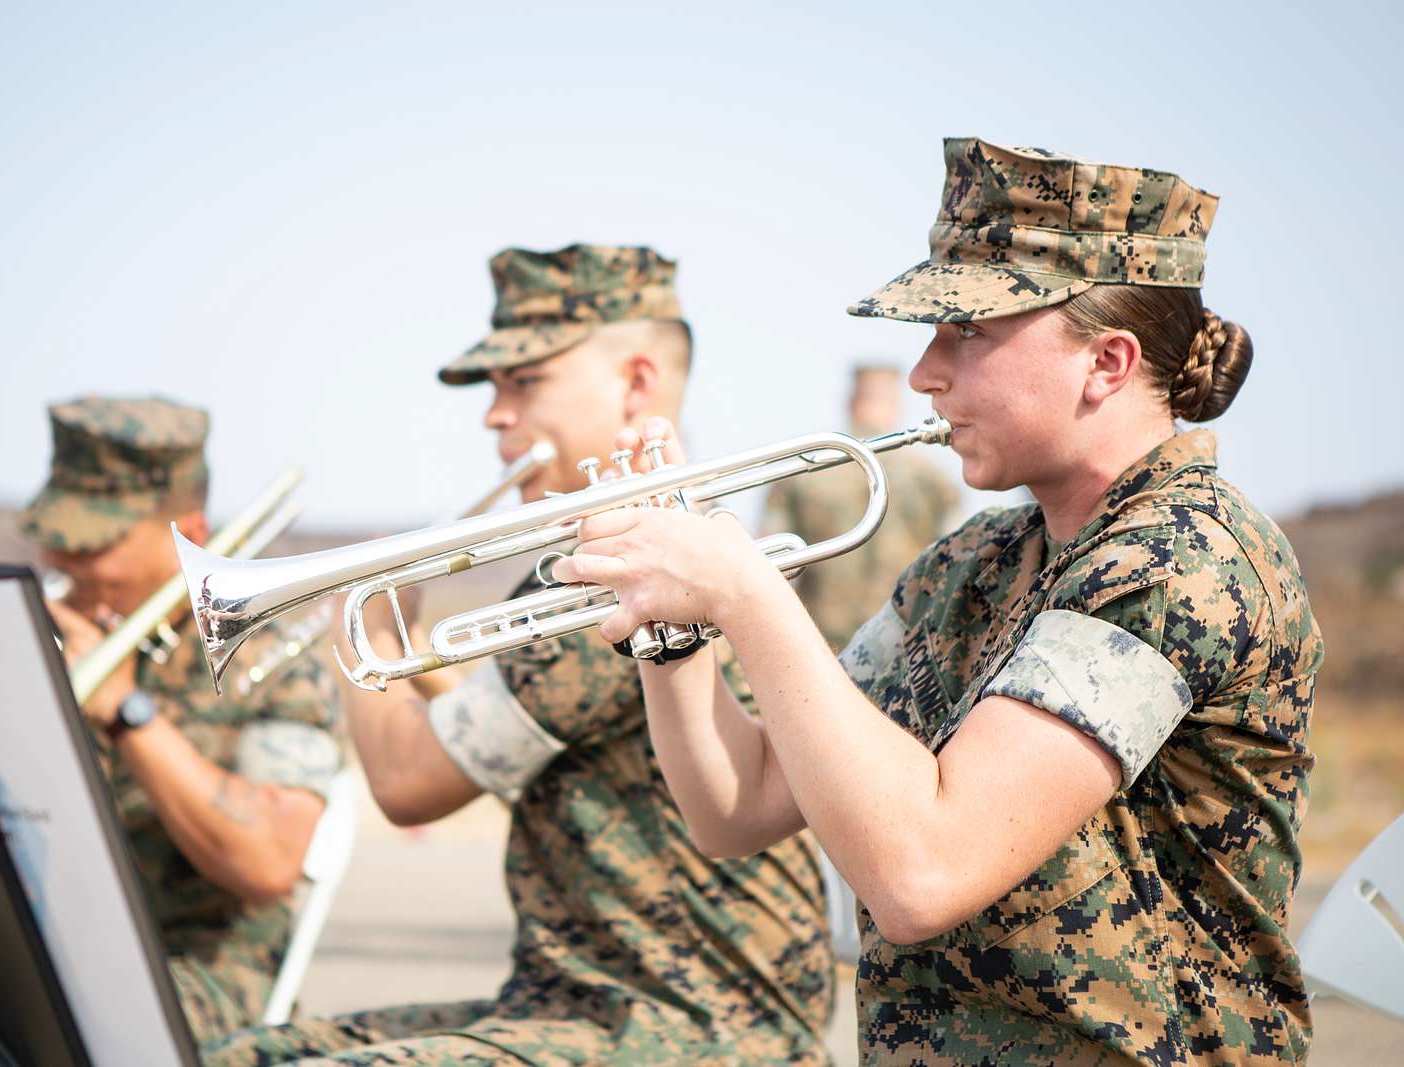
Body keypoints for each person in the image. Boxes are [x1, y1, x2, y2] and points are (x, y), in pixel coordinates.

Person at [557, 140, 1323, 1064]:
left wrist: (748, 596)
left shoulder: (1184, 560)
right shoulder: (977, 559)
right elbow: (740, 804)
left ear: (1108, 364)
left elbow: (921, 871)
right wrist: (673, 629)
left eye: (966, 330)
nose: (924, 371)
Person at [205, 244, 834, 1066]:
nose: (494, 416)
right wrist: (411, 652)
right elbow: (509, 724)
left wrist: (360, 623)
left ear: (637, 383)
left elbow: (406, 782)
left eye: (525, 381)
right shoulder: (599, 560)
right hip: (580, 1001)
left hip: (695, 1024)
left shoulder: (637, 568)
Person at [20, 397, 345, 1043]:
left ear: (189, 532)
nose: (65, 563)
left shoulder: (273, 659)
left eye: (96, 543)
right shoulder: (34, 640)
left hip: (198, 974)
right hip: (41, 948)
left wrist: (123, 710)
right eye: (58, 538)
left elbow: (267, 861)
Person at [761, 362, 958, 651]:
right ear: (896, 405)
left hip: (819, 644)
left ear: (851, 401)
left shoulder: (803, 472)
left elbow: (770, 566)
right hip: (901, 642)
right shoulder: (933, 479)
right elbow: (951, 567)